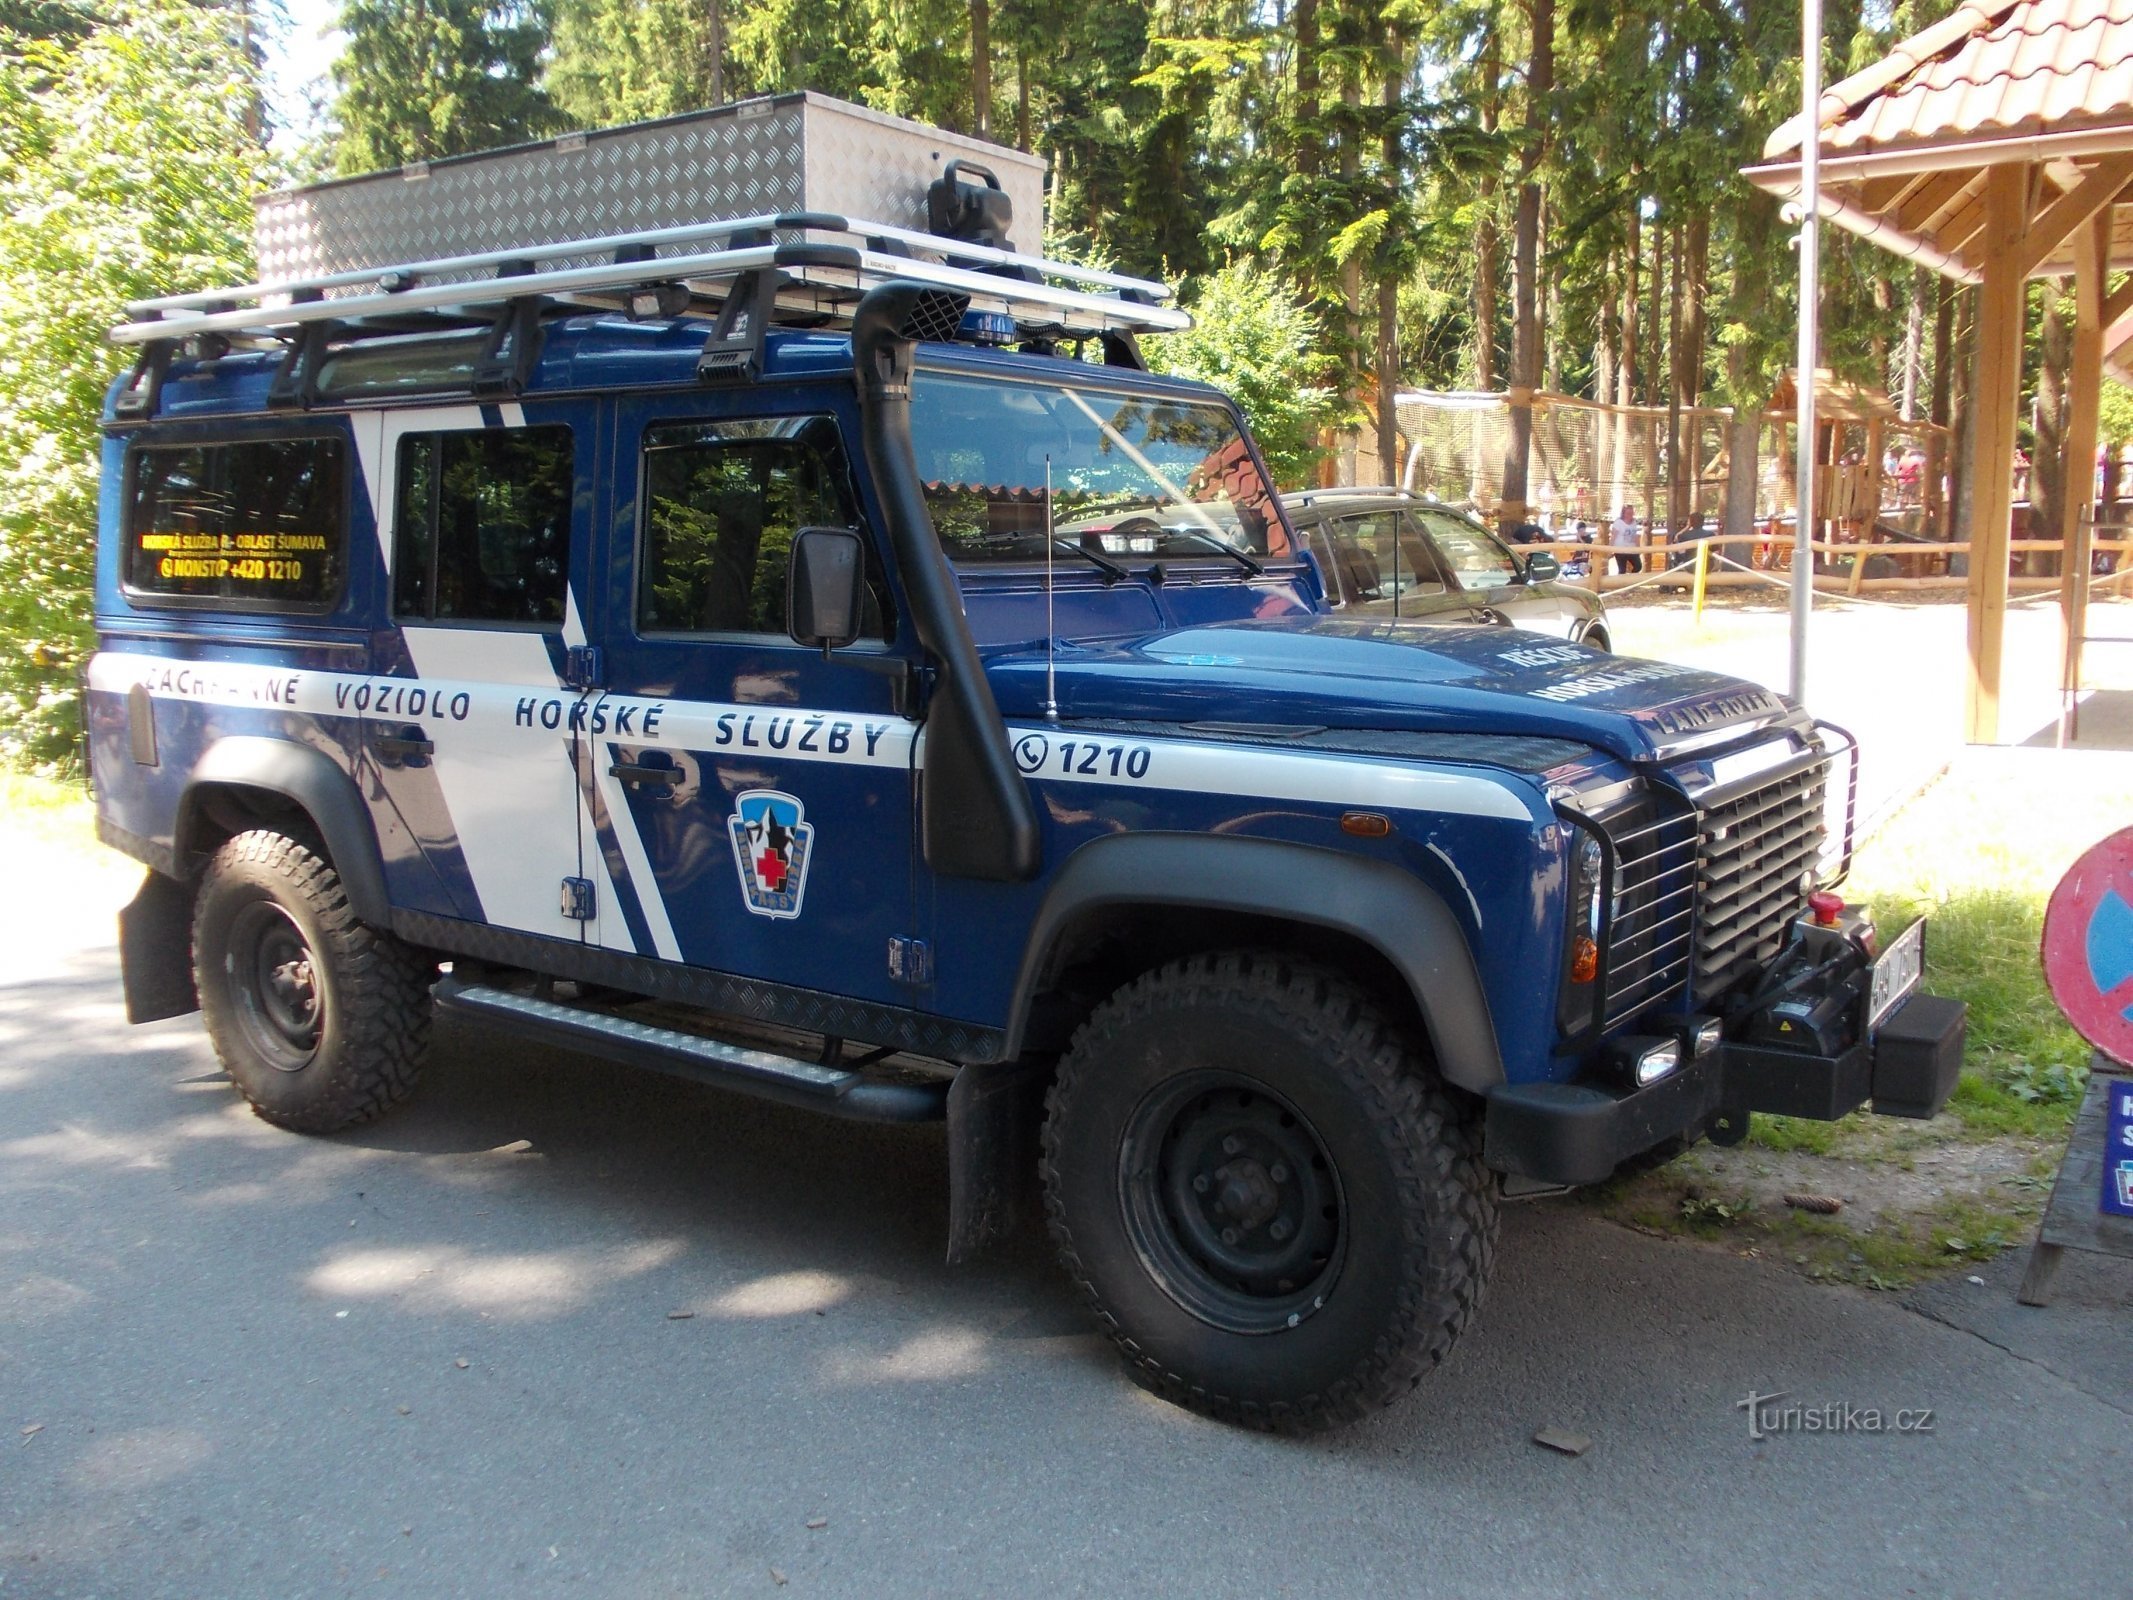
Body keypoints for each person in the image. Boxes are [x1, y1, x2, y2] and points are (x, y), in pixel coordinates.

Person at [1609, 505, 1641, 574]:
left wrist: (1638, 548)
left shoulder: (1634, 522)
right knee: (1622, 570)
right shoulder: (1618, 522)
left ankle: (1631, 581)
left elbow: (1635, 536)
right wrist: (1610, 550)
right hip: (1620, 549)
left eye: (1631, 513)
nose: (1630, 515)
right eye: (1628, 513)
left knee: (1638, 566)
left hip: (1632, 549)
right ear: (1623, 513)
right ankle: (1621, 584)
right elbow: (1613, 536)